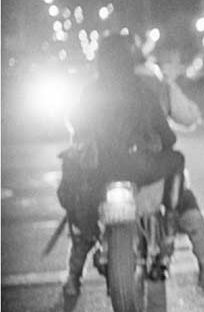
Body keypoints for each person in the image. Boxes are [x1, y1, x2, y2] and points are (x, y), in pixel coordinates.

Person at [59, 34, 185, 295]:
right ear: (130, 59)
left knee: (83, 223)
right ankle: (170, 223)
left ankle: (73, 276)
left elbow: (76, 125)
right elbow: (168, 137)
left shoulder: (91, 91)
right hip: (140, 168)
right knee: (178, 159)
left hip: (98, 171)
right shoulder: (143, 92)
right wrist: (162, 142)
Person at [135, 51, 204, 291]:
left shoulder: (102, 85)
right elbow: (186, 117)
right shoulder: (160, 85)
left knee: (84, 217)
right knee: (186, 202)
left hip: (114, 171)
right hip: (156, 168)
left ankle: (73, 275)